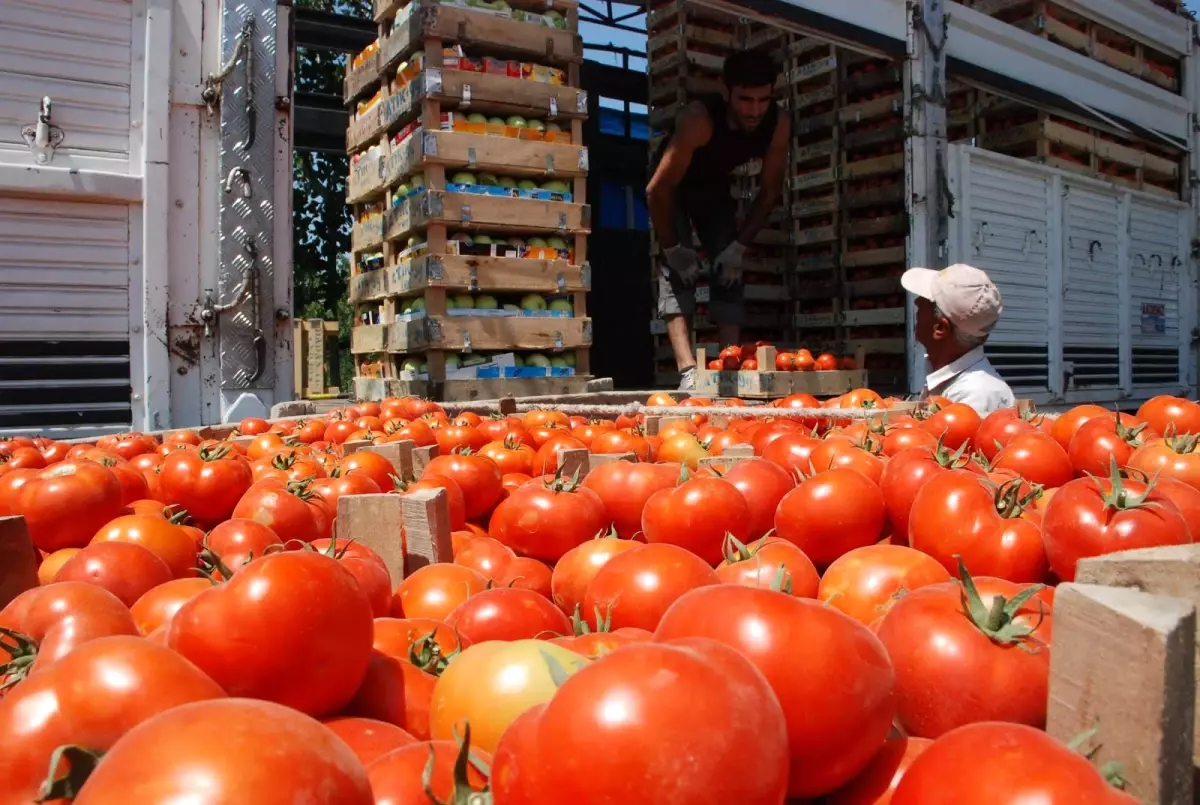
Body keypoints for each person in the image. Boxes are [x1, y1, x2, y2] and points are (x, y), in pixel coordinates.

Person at [646, 48, 791, 391]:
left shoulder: (777, 124)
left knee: (728, 266)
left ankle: (730, 364)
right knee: (676, 274)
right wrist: (672, 248)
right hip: (672, 186)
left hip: (713, 187)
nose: (754, 110)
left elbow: (770, 192)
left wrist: (739, 247)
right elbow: (657, 191)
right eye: (745, 99)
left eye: (763, 99)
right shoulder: (698, 119)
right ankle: (688, 372)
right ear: (726, 92)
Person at [901, 263, 1016, 415]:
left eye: (925, 300)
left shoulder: (975, 397)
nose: (917, 303)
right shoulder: (956, 382)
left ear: (940, 329)